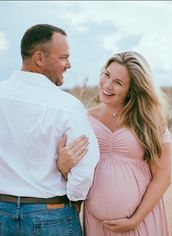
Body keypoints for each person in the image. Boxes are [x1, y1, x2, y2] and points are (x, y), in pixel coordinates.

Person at [57, 51, 172, 235]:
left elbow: (163, 177)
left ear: (133, 90)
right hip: (96, 224)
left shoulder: (150, 122)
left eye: (118, 83)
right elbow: (72, 171)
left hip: (141, 221)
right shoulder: (84, 119)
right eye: (107, 74)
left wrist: (135, 220)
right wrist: (63, 165)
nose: (107, 85)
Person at [0, 24, 99, 236]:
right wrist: (73, 199)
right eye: (64, 57)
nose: (69, 64)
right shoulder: (67, 106)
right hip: (51, 215)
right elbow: (85, 167)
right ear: (39, 58)